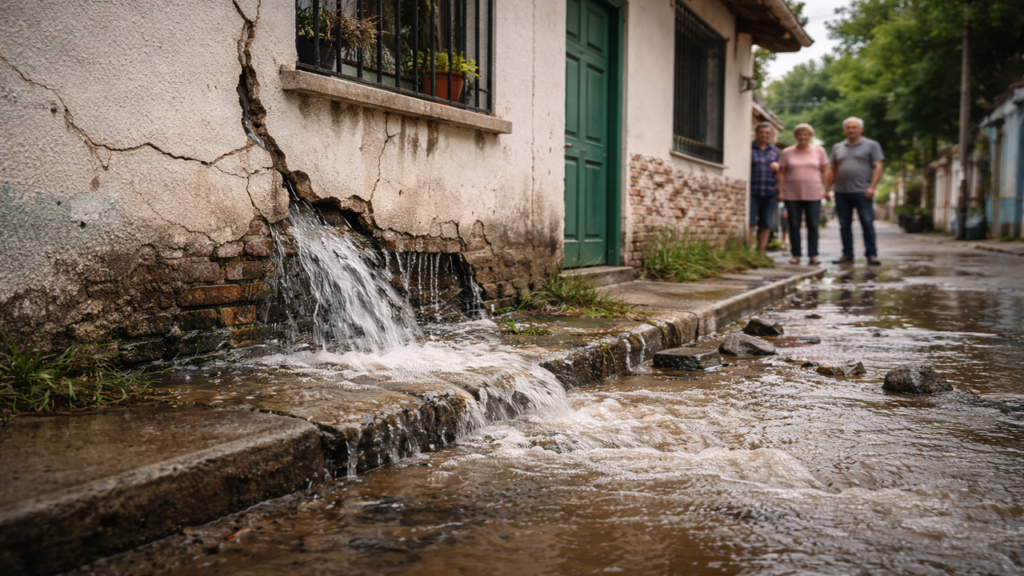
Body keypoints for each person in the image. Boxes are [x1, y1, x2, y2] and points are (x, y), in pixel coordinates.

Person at [827, 117, 884, 265]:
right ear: (844, 130)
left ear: (861, 129)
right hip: (841, 192)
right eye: (848, 127)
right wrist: (827, 189)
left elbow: (878, 166)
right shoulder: (837, 147)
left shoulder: (872, 145)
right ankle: (847, 254)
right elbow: (832, 169)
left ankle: (871, 254)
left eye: (854, 127)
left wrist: (872, 186)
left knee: (867, 223)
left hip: (863, 191)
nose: (851, 130)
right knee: (844, 225)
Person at [777, 123, 831, 265]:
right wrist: (780, 191)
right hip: (791, 194)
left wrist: (826, 189)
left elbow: (824, 171)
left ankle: (813, 255)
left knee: (812, 224)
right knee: (794, 225)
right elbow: (781, 173)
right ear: (795, 136)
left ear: (810, 136)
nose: (802, 137)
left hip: (814, 193)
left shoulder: (819, 151)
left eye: (805, 134)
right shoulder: (787, 152)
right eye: (800, 134)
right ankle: (796, 255)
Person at [750, 123, 780, 252]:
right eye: (761, 132)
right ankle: (747, 252)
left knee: (766, 223)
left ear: (771, 135)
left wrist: (778, 168)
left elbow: (780, 173)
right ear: (756, 133)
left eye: (767, 133)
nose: (764, 135)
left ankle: (761, 252)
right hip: (752, 192)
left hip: (770, 192)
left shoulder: (775, 151)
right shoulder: (748, 148)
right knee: (750, 222)